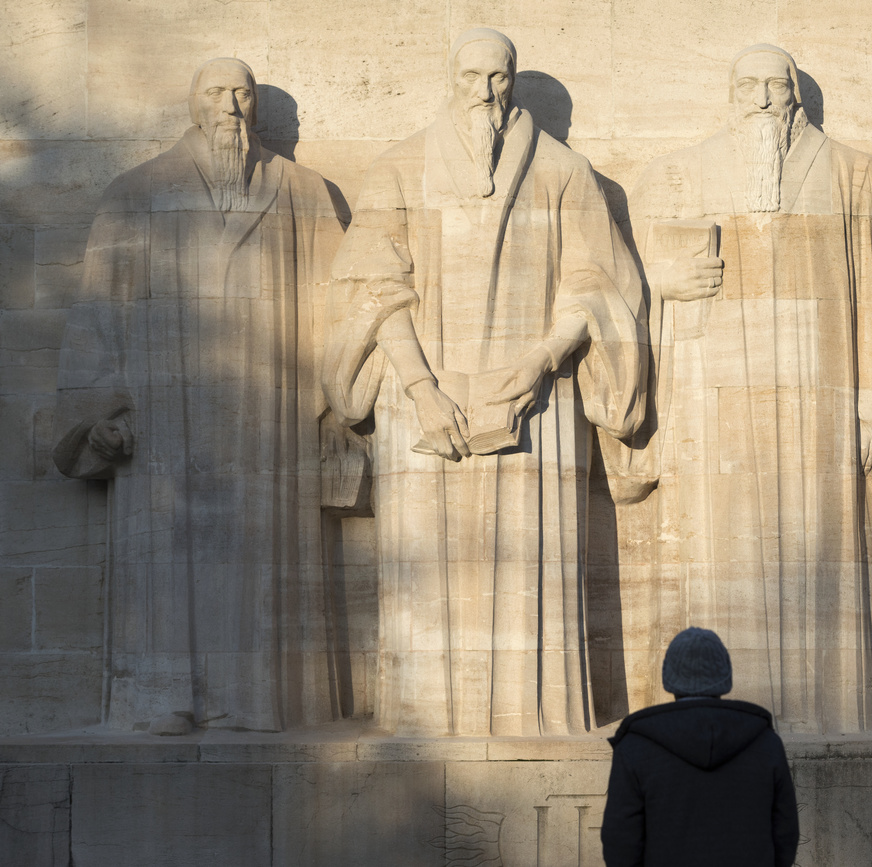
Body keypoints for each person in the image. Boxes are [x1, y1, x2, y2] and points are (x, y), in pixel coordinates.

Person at [322, 28, 646, 736]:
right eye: (472, 76)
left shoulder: (563, 170)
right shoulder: (400, 167)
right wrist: (420, 389)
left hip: (539, 399)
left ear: (515, 82)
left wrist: (543, 358)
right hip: (420, 404)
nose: (486, 91)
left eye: (499, 77)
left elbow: (598, 284)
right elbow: (375, 289)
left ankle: (540, 718)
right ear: (450, 80)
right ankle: (420, 725)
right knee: (426, 577)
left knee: (534, 573)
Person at [613, 44, 872, 733]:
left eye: (775, 87)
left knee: (823, 547)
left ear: (795, 98)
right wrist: (662, 284)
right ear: (730, 95)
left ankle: (829, 711)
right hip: (708, 402)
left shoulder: (854, 176)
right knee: (716, 551)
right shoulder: (676, 177)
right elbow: (615, 282)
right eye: (747, 86)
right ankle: (707, 708)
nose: (761, 99)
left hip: (824, 398)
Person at [54, 58, 345, 733]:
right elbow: (97, 315)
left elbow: (345, 307)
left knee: (265, 564)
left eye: (242, 93)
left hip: (273, 424)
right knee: (166, 556)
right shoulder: (137, 194)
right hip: (165, 427)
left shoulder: (303, 192)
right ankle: (163, 698)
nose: (231, 107)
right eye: (216, 93)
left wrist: (339, 417)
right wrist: (99, 414)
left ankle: (261, 698)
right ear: (193, 104)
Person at [601, 627, 799, 867]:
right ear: (725, 676)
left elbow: (620, 841)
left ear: (669, 678)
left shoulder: (635, 747)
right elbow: (785, 833)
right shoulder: (766, 743)